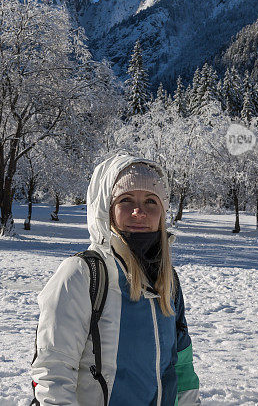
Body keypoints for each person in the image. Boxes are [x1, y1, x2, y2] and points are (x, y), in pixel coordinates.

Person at [31, 153, 201, 405]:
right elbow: (52, 372)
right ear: (106, 208)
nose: (139, 211)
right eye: (125, 200)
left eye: (151, 201)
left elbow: (182, 368)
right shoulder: (82, 275)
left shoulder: (168, 281)